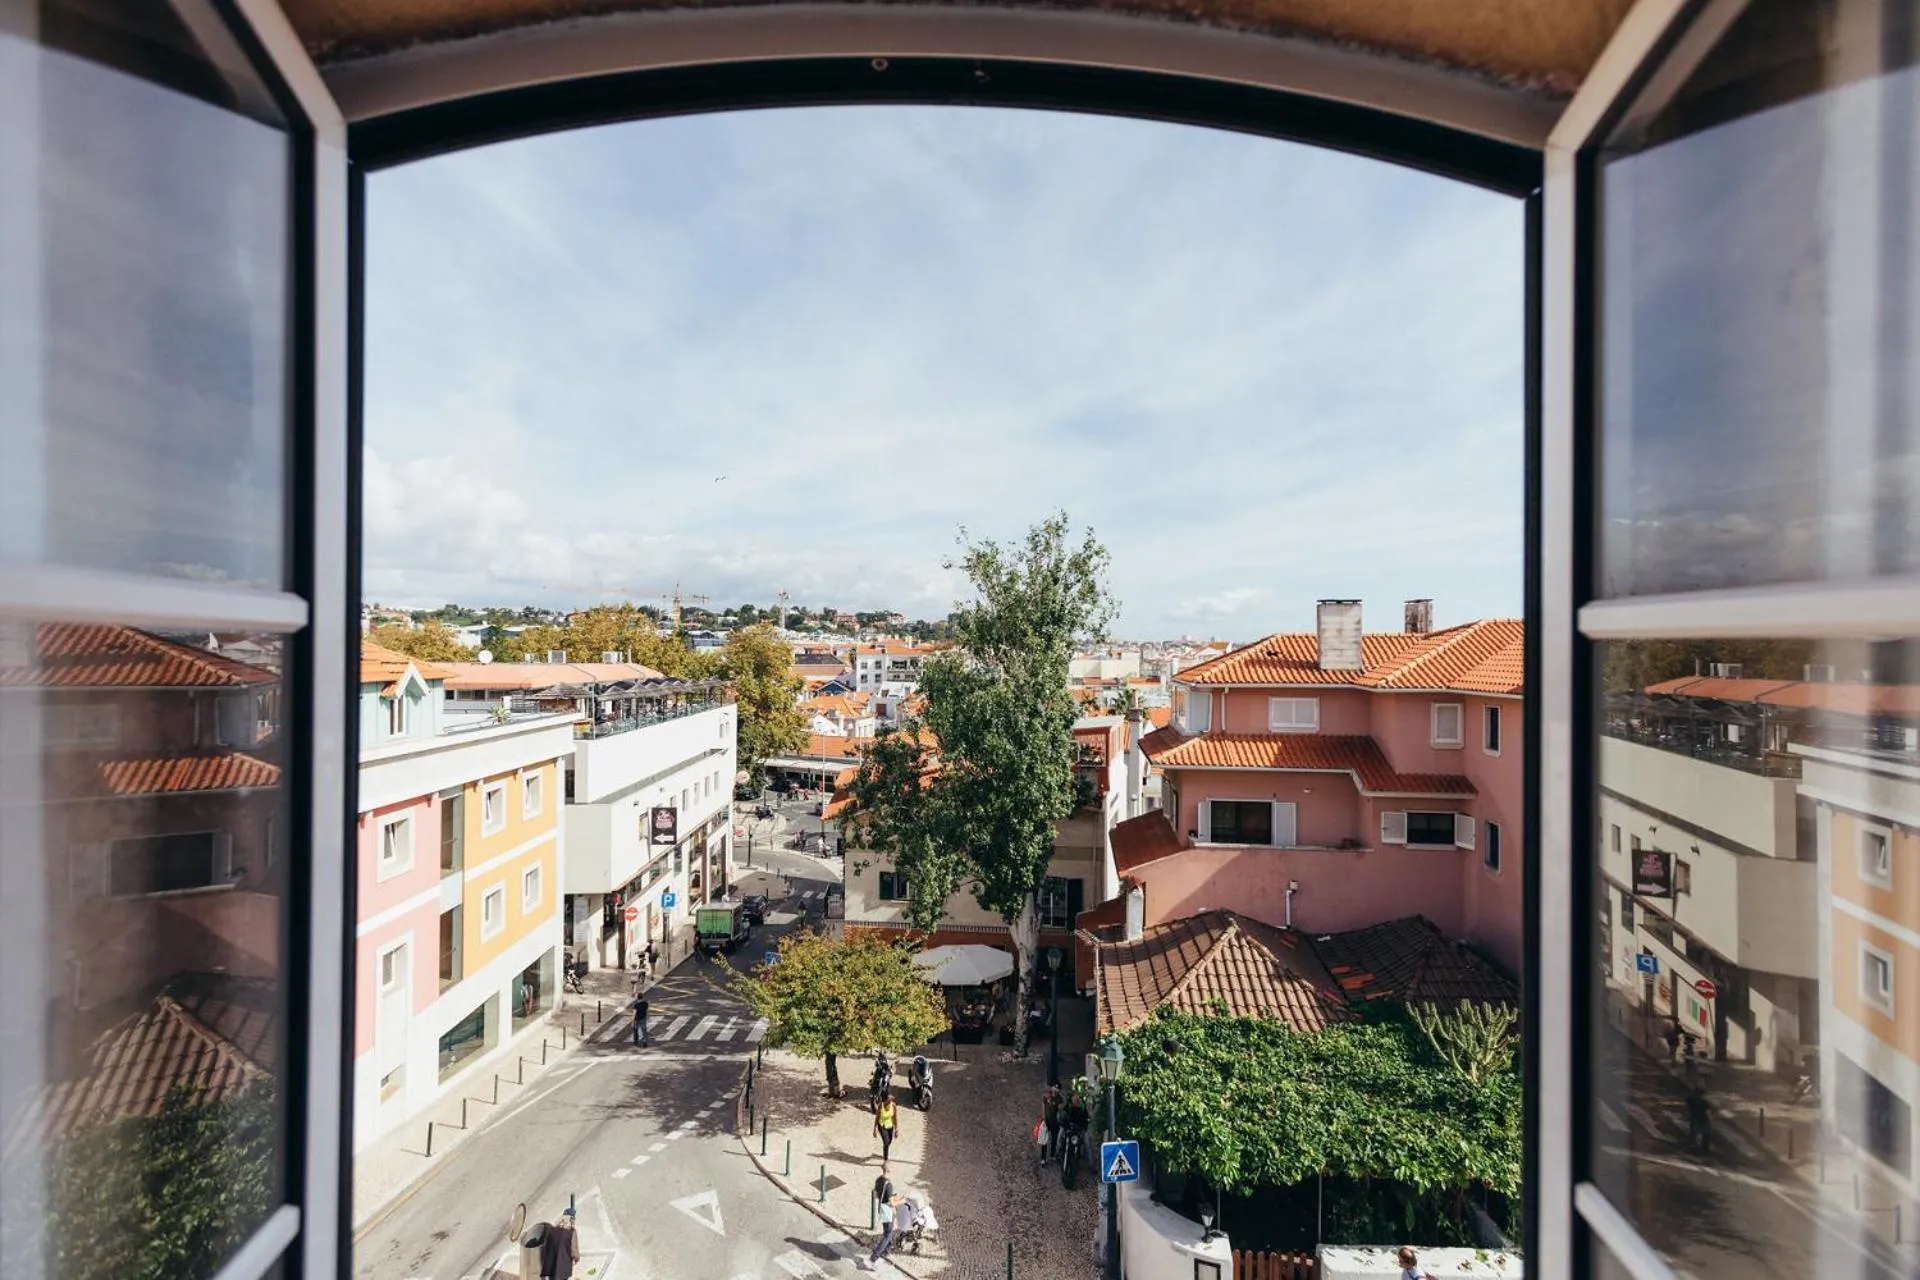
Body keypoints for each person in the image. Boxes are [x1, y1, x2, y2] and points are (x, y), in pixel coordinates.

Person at [540, 1210, 581, 1280]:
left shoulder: (552, 1230)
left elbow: (546, 1247)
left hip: (551, 1265)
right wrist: (577, 1258)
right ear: (571, 1220)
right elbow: (573, 1250)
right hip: (563, 1266)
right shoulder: (571, 1232)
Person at [874, 1091, 899, 1169]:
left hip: (890, 1125)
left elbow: (895, 1117)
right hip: (882, 1125)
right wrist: (874, 1129)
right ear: (885, 1100)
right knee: (886, 1142)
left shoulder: (893, 1106)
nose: (890, 1099)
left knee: (889, 1141)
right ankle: (885, 1160)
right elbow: (877, 1118)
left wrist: (896, 1128)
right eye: (889, 1098)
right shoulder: (880, 1106)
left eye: (890, 1098)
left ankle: (885, 1151)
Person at [1042, 1084, 1064, 1162]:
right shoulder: (1046, 1096)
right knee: (1044, 1140)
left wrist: (1060, 1106)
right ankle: (1043, 1158)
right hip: (1047, 1121)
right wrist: (1043, 1118)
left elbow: (1060, 1108)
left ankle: (1052, 1155)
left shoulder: (1060, 1099)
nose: (1055, 1092)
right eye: (1054, 1090)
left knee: (1054, 1139)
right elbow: (1043, 1106)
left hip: (1055, 1122)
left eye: (1057, 1091)